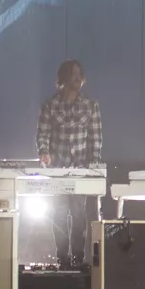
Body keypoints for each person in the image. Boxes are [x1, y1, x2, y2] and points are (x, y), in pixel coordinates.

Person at [36, 60, 104, 268]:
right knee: (58, 213)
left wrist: (94, 164)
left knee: (79, 214)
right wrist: (44, 153)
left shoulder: (90, 106)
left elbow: (95, 138)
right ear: (63, 78)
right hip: (57, 170)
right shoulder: (50, 105)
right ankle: (62, 257)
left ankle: (77, 256)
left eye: (79, 74)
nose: (77, 78)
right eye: (73, 74)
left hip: (80, 169)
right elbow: (43, 134)